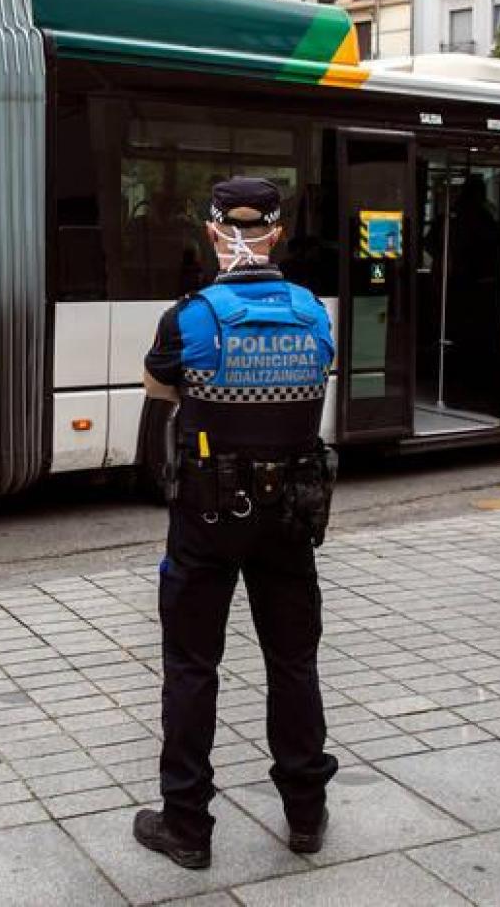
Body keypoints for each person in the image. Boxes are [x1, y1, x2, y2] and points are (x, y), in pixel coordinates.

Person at [134, 177, 339, 870]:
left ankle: (187, 827)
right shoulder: (313, 313)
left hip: (207, 517)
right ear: (277, 234)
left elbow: (159, 385)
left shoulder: (190, 318)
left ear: (213, 232)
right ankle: (305, 815)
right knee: (293, 663)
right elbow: (320, 374)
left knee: (192, 668)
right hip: (290, 520)